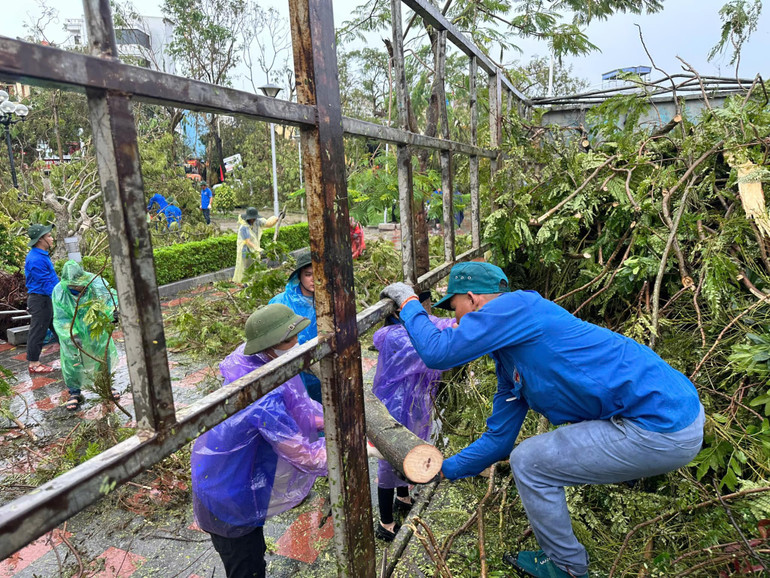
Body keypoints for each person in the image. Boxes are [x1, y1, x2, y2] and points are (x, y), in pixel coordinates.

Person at [380, 262, 704, 578]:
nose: (456, 319)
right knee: (525, 456)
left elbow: (438, 352)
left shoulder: (517, 306)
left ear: (472, 298)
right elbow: (498, 441)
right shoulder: (509, 362)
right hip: (657, 416)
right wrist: (441, 471)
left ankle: (567, 568)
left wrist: (408, 301)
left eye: (454, 308)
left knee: (530, 461)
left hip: (662, 423)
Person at [191, 304, 326, 578]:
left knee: (255, 554)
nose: (296, 344)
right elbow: (304, 454)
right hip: (226, 497)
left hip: (244, 484)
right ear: (267, 345)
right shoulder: (259, 395)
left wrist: (339, 414)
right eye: (288, 340)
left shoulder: (262, 365)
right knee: (246, 567)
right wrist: (355, 448)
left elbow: (302, 408)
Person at [370, 315, 455, 542]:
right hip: (395, 405)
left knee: (411, 449)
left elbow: (438, 326)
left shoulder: (407, 332)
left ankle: (404, 496)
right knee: (389, 461)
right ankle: (385, 522)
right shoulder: (396, 337)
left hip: (414, 401)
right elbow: (435, 355)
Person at [52, 261, 120, 412]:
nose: (77, 288)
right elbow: (61, 317)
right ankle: (74, 392)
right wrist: (72, 334)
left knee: (103, 354)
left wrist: (113, 313)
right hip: (73, 333)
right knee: (72, 360)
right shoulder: (59, 292)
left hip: (96, 328)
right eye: (73, 286)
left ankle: (106, 385)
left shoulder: (96, 284)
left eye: (79, 284)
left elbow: (110, 299)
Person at [268, 248, 320, 403]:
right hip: (292, 372)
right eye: (308, 274)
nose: (313, 279)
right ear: (299, 276)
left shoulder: (331, 300)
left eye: (318, 273)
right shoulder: (281, 303)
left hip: (323, 370)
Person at [24, 224, 59, 374]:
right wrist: (62, 295)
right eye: (49, 236)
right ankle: (33, 363)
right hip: (40, 300)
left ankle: (72, 355)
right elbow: (46, 284)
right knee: (38, 331)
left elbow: (51, 279)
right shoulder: (36, 259)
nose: (51, 238)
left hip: (46, 299)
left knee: (58, 328)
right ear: (40, 239)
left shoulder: (42, 255)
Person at [232, 207, 278, 284]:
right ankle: (246, 284)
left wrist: (277, 219)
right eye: (251, 218)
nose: (253, 220)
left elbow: (268, 224)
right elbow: (248, 241)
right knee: (247, 267)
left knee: (255, 265)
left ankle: (254, 282)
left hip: (255, 249)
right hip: (246, 250)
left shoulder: (257, 222)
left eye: (254, 218)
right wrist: (258, 249)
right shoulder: (244, 227)